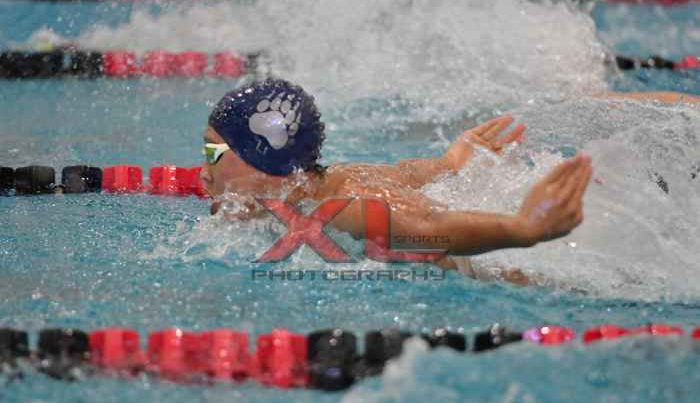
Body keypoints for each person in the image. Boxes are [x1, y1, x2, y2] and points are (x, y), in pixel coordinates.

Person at [200, 78, 699, 284]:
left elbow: (427, 228)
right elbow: (409, 174)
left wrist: (524, 229)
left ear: (263, 159)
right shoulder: (338, 178)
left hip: (543, 257)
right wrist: (450, 162)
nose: (202, 170)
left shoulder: (340, 210)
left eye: (213, 154)